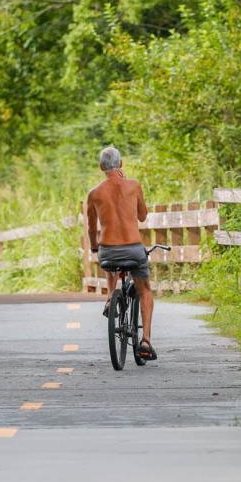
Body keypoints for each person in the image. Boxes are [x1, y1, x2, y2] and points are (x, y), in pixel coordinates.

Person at [86, 146, 157, 361]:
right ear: (121, 164)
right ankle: (145, 340)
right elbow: (143, 216)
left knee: (109, 261)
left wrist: (94, 247)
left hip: (108, 250)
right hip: (133, 248)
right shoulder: (134, 186)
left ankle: (110, 296)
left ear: (101, 167)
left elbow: (91, 229)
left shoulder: (94, 193)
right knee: (144, 290)